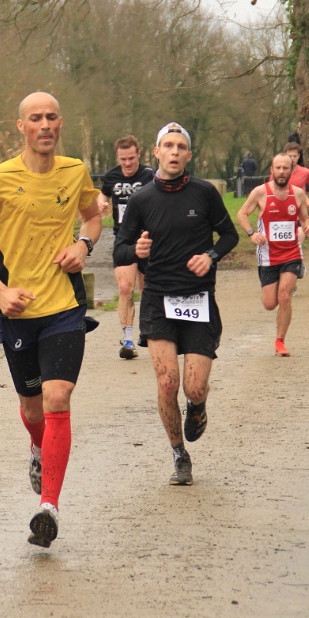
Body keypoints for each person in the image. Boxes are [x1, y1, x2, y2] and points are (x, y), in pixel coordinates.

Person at [0, 92, 101, 549]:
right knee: (33, 408)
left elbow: (92, 218)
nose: (44, 125)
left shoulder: (75, 171)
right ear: (20, 126)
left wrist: (83, 246)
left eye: (51, 117)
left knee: (58, 397)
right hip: (18, 312)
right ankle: (38, 447)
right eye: (35, 118)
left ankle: (48, 506)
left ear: (61, 123)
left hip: (64, 306)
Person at [114, 122, 239, 486]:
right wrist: (135, 251)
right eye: (167, 145)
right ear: (156, 152)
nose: (174, 151)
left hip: (198, 298)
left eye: (180, 146)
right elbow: (120, 250)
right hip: (158, 300)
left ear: (188, 155)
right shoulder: (141, 200)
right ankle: (179, 455)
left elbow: (229, 234)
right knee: (167, 382)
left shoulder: (204, 192)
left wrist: (211, 256)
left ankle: (198, 406)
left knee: (193, 387)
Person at [237, 152, 309, 357]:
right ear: (272, 170)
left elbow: (305, 219)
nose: (281, 171)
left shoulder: (298, 194)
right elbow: (242, 213)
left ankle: (280, 341)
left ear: (291, 171)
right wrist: (252, 234)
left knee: (285, 295)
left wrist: (308, 227)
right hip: (268, 255)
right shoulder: (260, 192)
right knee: (270, 303)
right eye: (278, 168)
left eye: (285, 168)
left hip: (291, 252)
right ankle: (283, 286)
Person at [98, 136, 153, 359]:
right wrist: (100, 203)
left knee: (147, 289)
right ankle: (128, 340)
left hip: (148, 238)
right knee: (124, 288)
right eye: (123, 159)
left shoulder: (150, 175)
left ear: (138, 154)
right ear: (117, 157)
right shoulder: (111, 176)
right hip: (124, 238)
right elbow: (102, 196)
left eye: (131, 158)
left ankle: (150, 331)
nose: (128, 163)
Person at [283, 142, 309, 208]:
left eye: (294, 156)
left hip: (300, 208)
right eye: (290, 156)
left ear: (298, 156)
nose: (292, 158)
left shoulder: (305, 172)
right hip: (282, 206)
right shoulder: (278, 172)